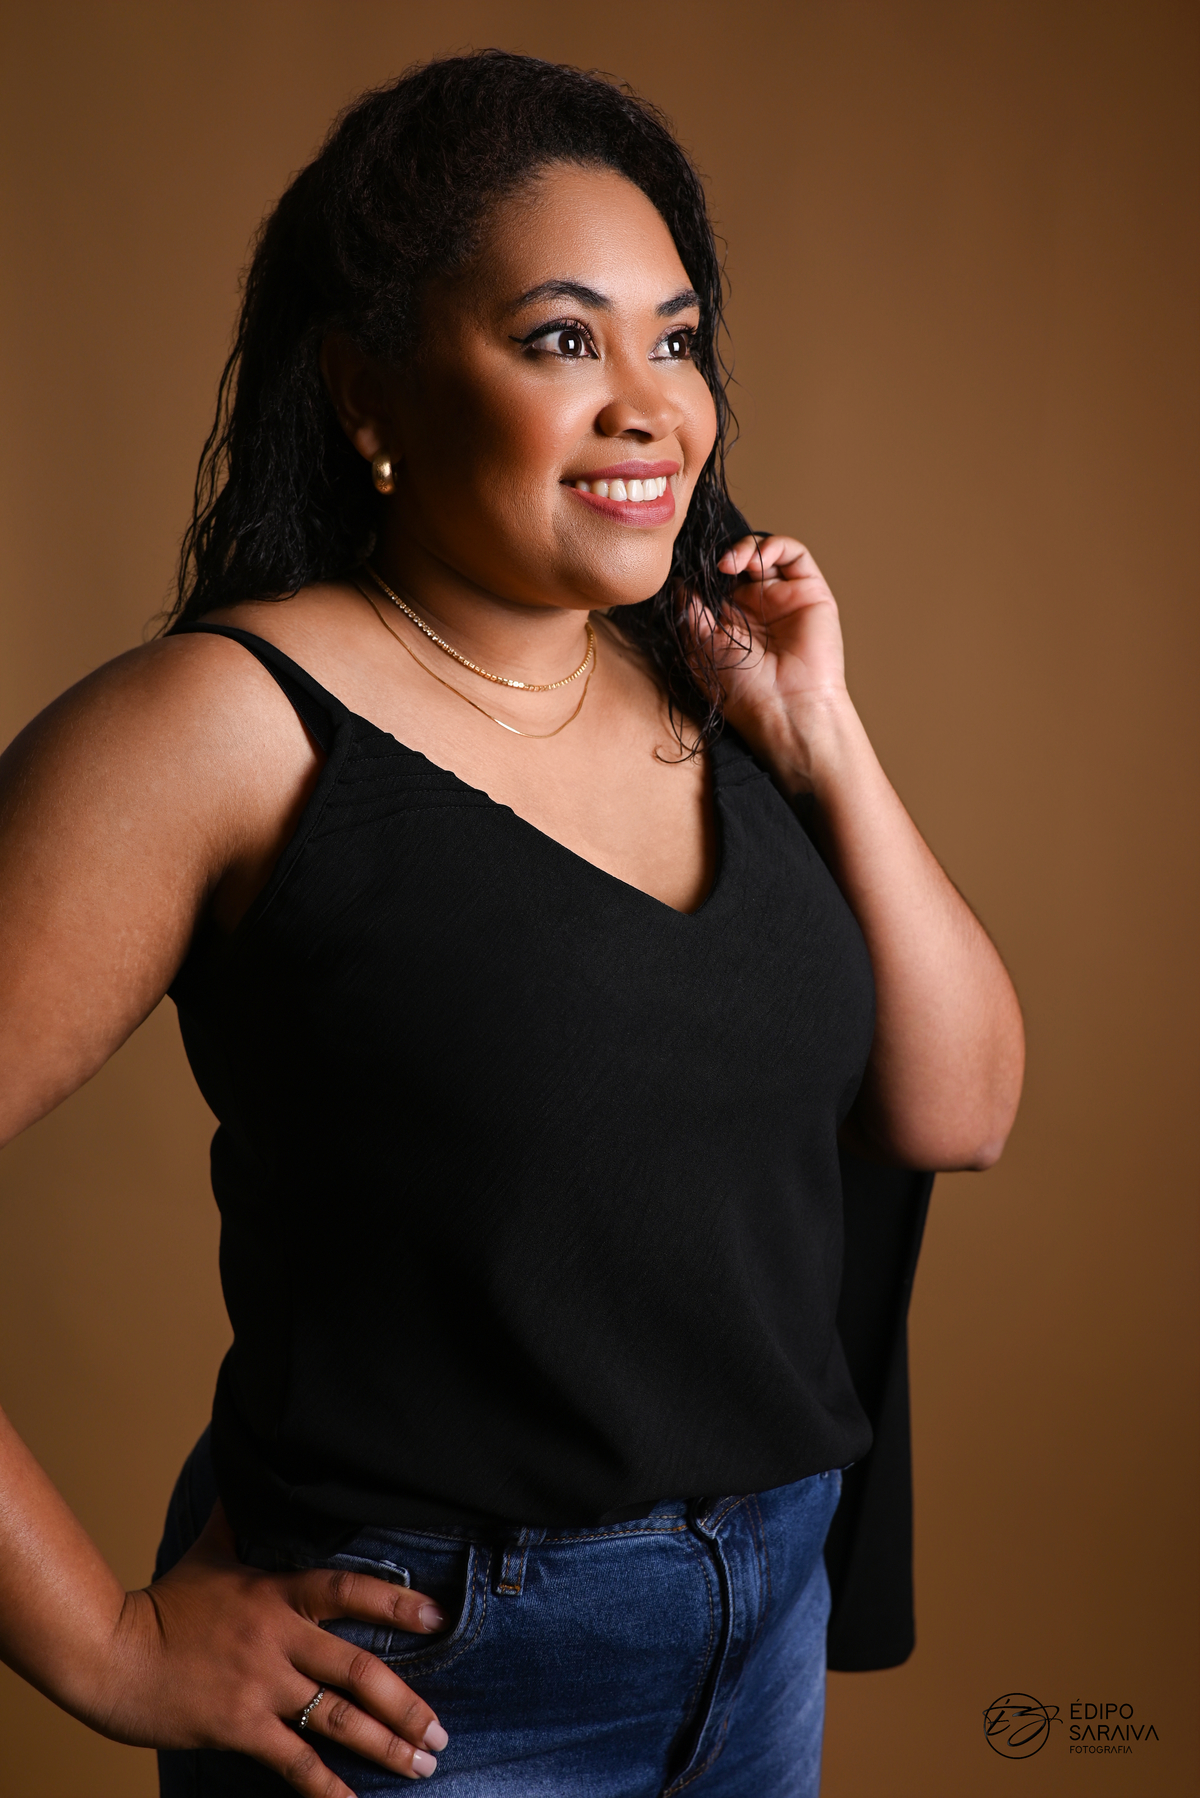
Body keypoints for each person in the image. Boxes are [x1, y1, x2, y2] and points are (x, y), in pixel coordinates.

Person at [0, 50, 1024, 1798]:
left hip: (762, 1631)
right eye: (563, 340)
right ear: (369, 392)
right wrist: (104, 1639)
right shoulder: (223, 727)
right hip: (422, 1689)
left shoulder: (708, 687)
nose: (650, 406)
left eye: (676, 341)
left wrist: (826, 742)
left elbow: (961, 1107)